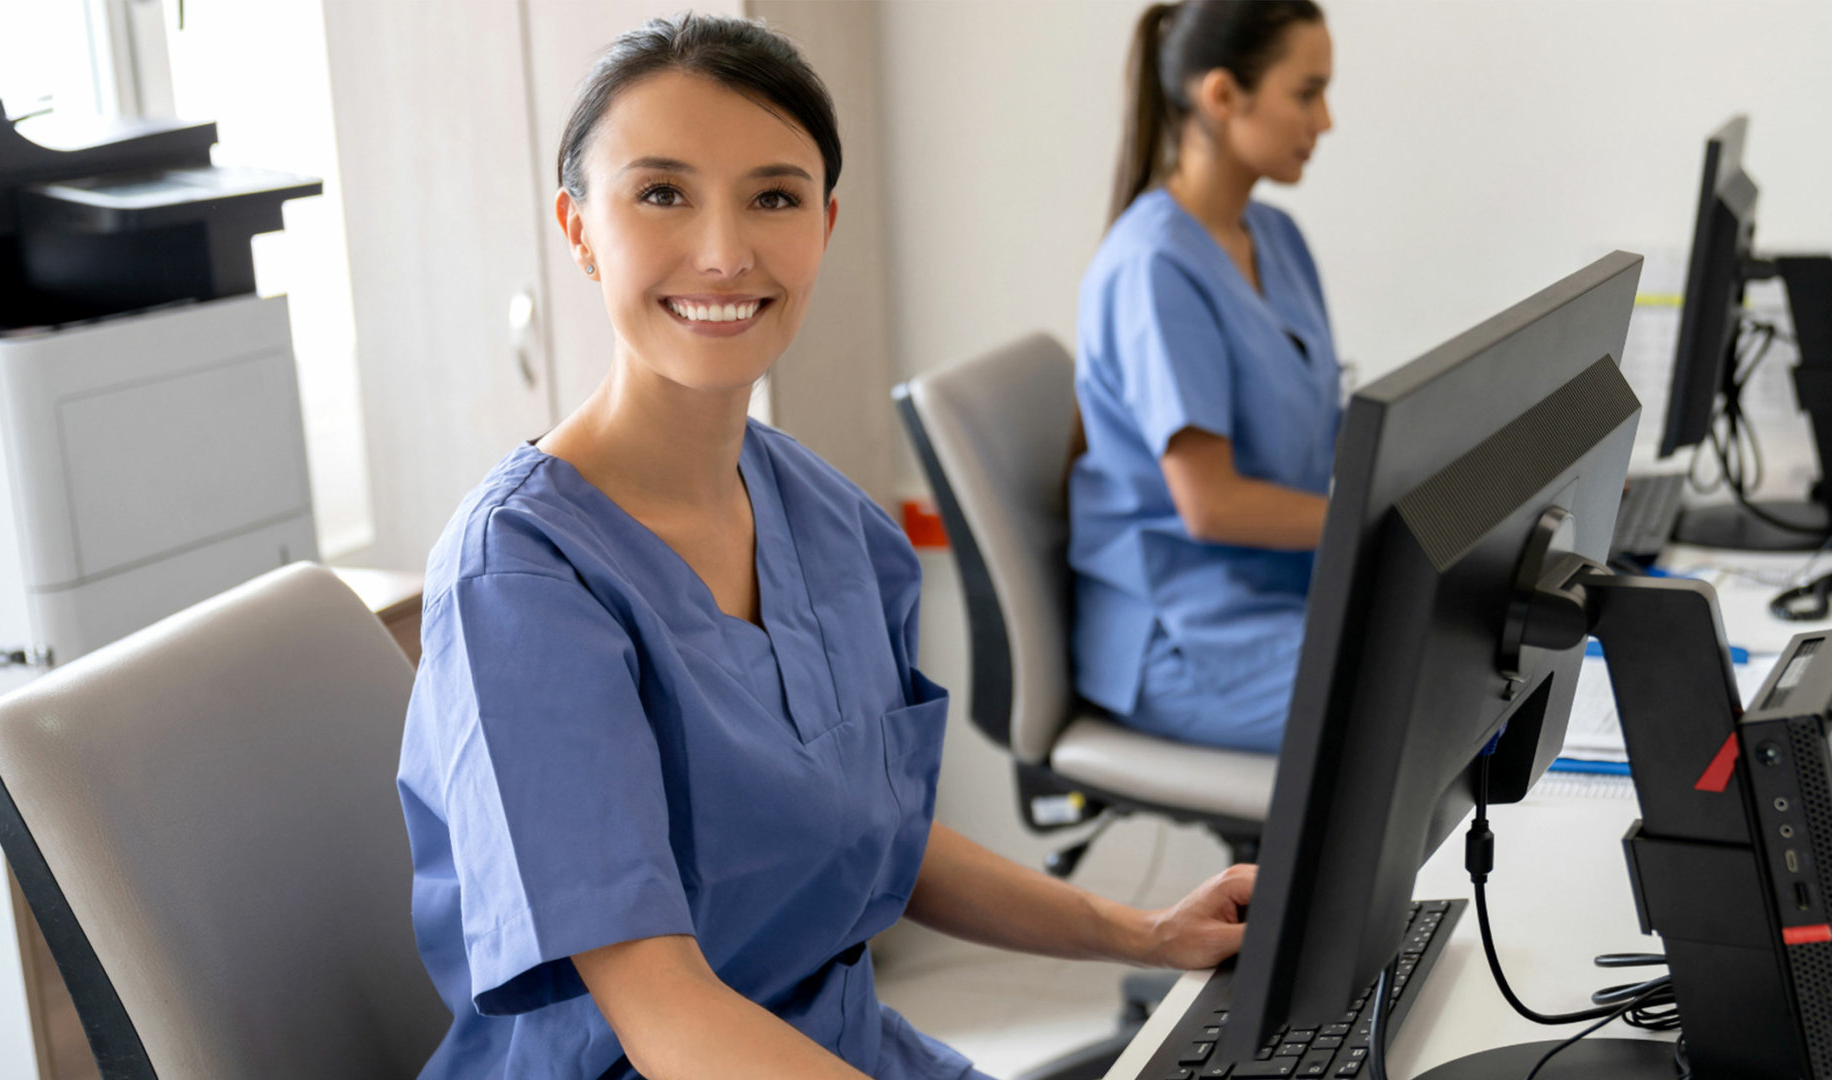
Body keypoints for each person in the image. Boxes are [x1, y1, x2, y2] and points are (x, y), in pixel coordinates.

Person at [396, 15, 1254, 1080]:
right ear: (577, 228)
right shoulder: (521, 579)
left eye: (774, 196)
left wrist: (1146, 934)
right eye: (661, 193)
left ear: (825, 225)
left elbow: (873, 832)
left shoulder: (830, 519)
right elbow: (665, 1020)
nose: (724, 250)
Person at [1070, 0, 1339, 755]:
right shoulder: (1154, 266)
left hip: (1281, 603)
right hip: (1186, 639)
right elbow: (1211, 505)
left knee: (1476, 651)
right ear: (1222, 97)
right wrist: (1387, 527)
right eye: (1307, 93)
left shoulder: (1277, 239)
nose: (1325, 122)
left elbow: (1334, 431)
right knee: (1435, 693)